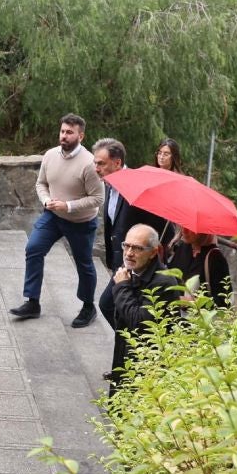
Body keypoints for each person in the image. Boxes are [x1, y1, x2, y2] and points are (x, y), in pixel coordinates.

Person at [10, 113, 103, 327]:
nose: (64, 136)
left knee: (84, 263)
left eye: (70, 132)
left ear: (81, 136)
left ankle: (88, 307)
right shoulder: (50, 155)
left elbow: (98, 198)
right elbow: (40, 183)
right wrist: (46, 201)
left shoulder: (90, 163)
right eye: (62, 131)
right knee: (33, 248)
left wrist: (68, 206)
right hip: (52, 215)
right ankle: (32, 302)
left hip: (81, 222)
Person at [93, 139, 166, 333]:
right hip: (121, 261)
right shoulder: (109, 185)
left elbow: (158, 224)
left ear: (117, 163)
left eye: (101, 163)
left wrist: (152, 256)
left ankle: (131, 347)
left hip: (141, 263)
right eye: (95, 163)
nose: (96, 168)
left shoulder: (137, 187)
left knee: (108, 304)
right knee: (118, 308)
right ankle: (130, 348)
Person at [107, 223, 184, 387]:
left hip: (148, 365)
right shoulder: (128, 271)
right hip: (124, 354)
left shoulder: (164, 282)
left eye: (137, 248)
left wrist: (122, 287)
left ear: (153, 252)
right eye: (126, 246)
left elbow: (139, 322)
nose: (129, 253)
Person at [171, 230, 232, 308]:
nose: (184, 231)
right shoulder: (183, 248)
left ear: (204, 231)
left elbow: (223, 301)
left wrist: (193, 303)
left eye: (190, 229)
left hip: (199, 318)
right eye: (184, 226)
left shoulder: (215, 258)